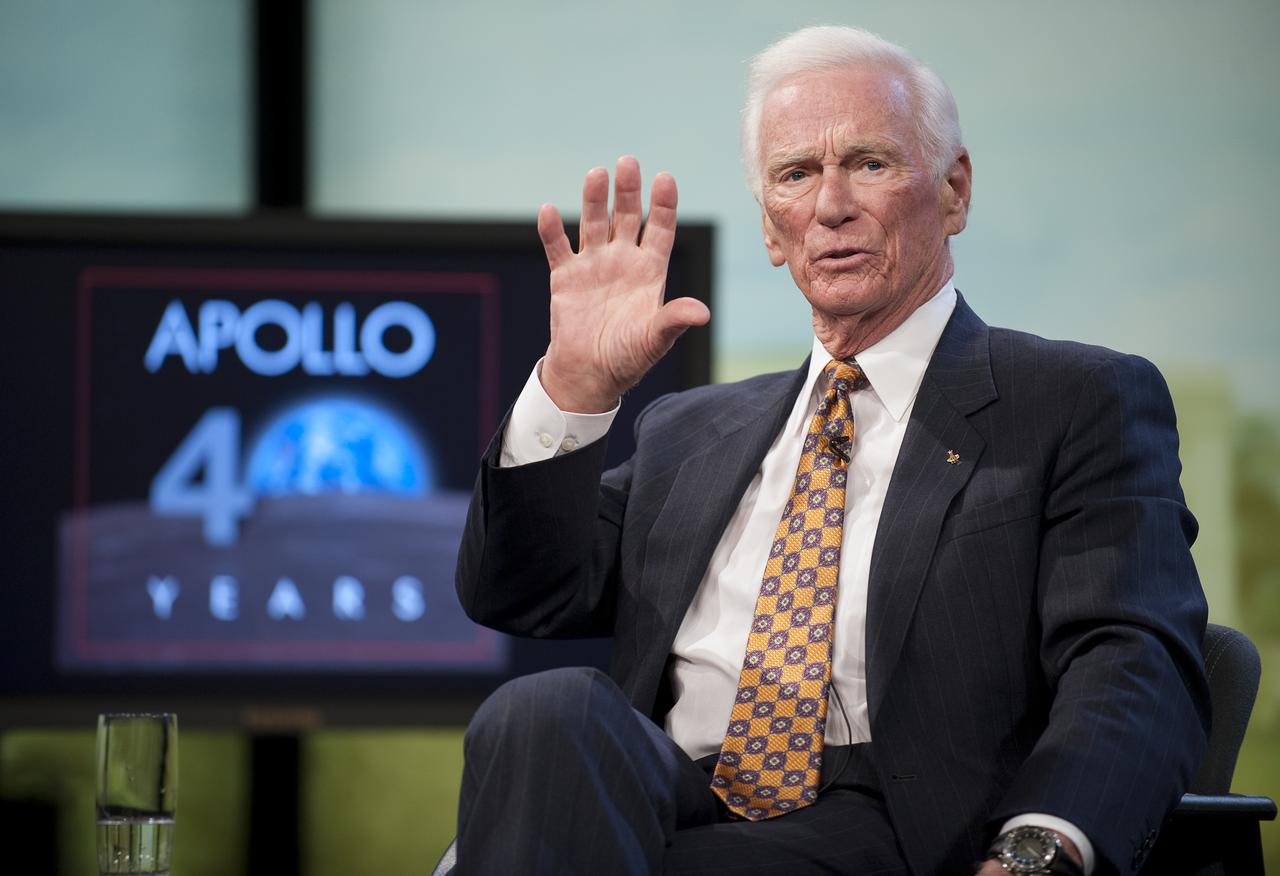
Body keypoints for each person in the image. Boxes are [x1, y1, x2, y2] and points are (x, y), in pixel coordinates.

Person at [454, 25, 1209, 876]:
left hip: (892, 820)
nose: (831, 205)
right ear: (773, 232)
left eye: (871, 163)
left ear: (954, 191)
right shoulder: (689, 431)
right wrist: (574, 387)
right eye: (796, 174)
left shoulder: (1073, 401)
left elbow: (1133, 660)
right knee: (545, 709)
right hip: (661, 793)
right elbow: (518, 594)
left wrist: (1040, 848)